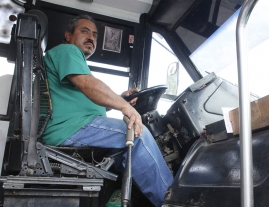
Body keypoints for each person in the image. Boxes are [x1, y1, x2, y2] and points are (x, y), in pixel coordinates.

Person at [42, 14, 173, 207]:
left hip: (74, 125)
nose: (91, 37)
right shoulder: (67, 51)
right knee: (138, 135)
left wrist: (121, 98)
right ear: (68, 35)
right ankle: (174, 201)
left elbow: (88, 99)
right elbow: (88, 85)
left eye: (95, 35)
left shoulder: (71, 60)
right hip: (70, 128)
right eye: (84, 31)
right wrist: (125, 106)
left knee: (125, 155)